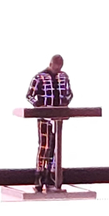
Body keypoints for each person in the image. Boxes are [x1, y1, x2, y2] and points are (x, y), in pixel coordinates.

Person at [24, 54, 74, 191]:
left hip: (59, 117)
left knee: (55, 147)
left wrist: (65, 103)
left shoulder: (64, 77)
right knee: (45, 146)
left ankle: (51, 175)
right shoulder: (39, 77)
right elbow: (29, 96)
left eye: (60, 66)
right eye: (56, 66)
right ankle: (39, 176)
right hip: (44, 117)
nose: (58, 69)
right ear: (51, 64)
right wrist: (39, 106)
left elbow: (70, 93)